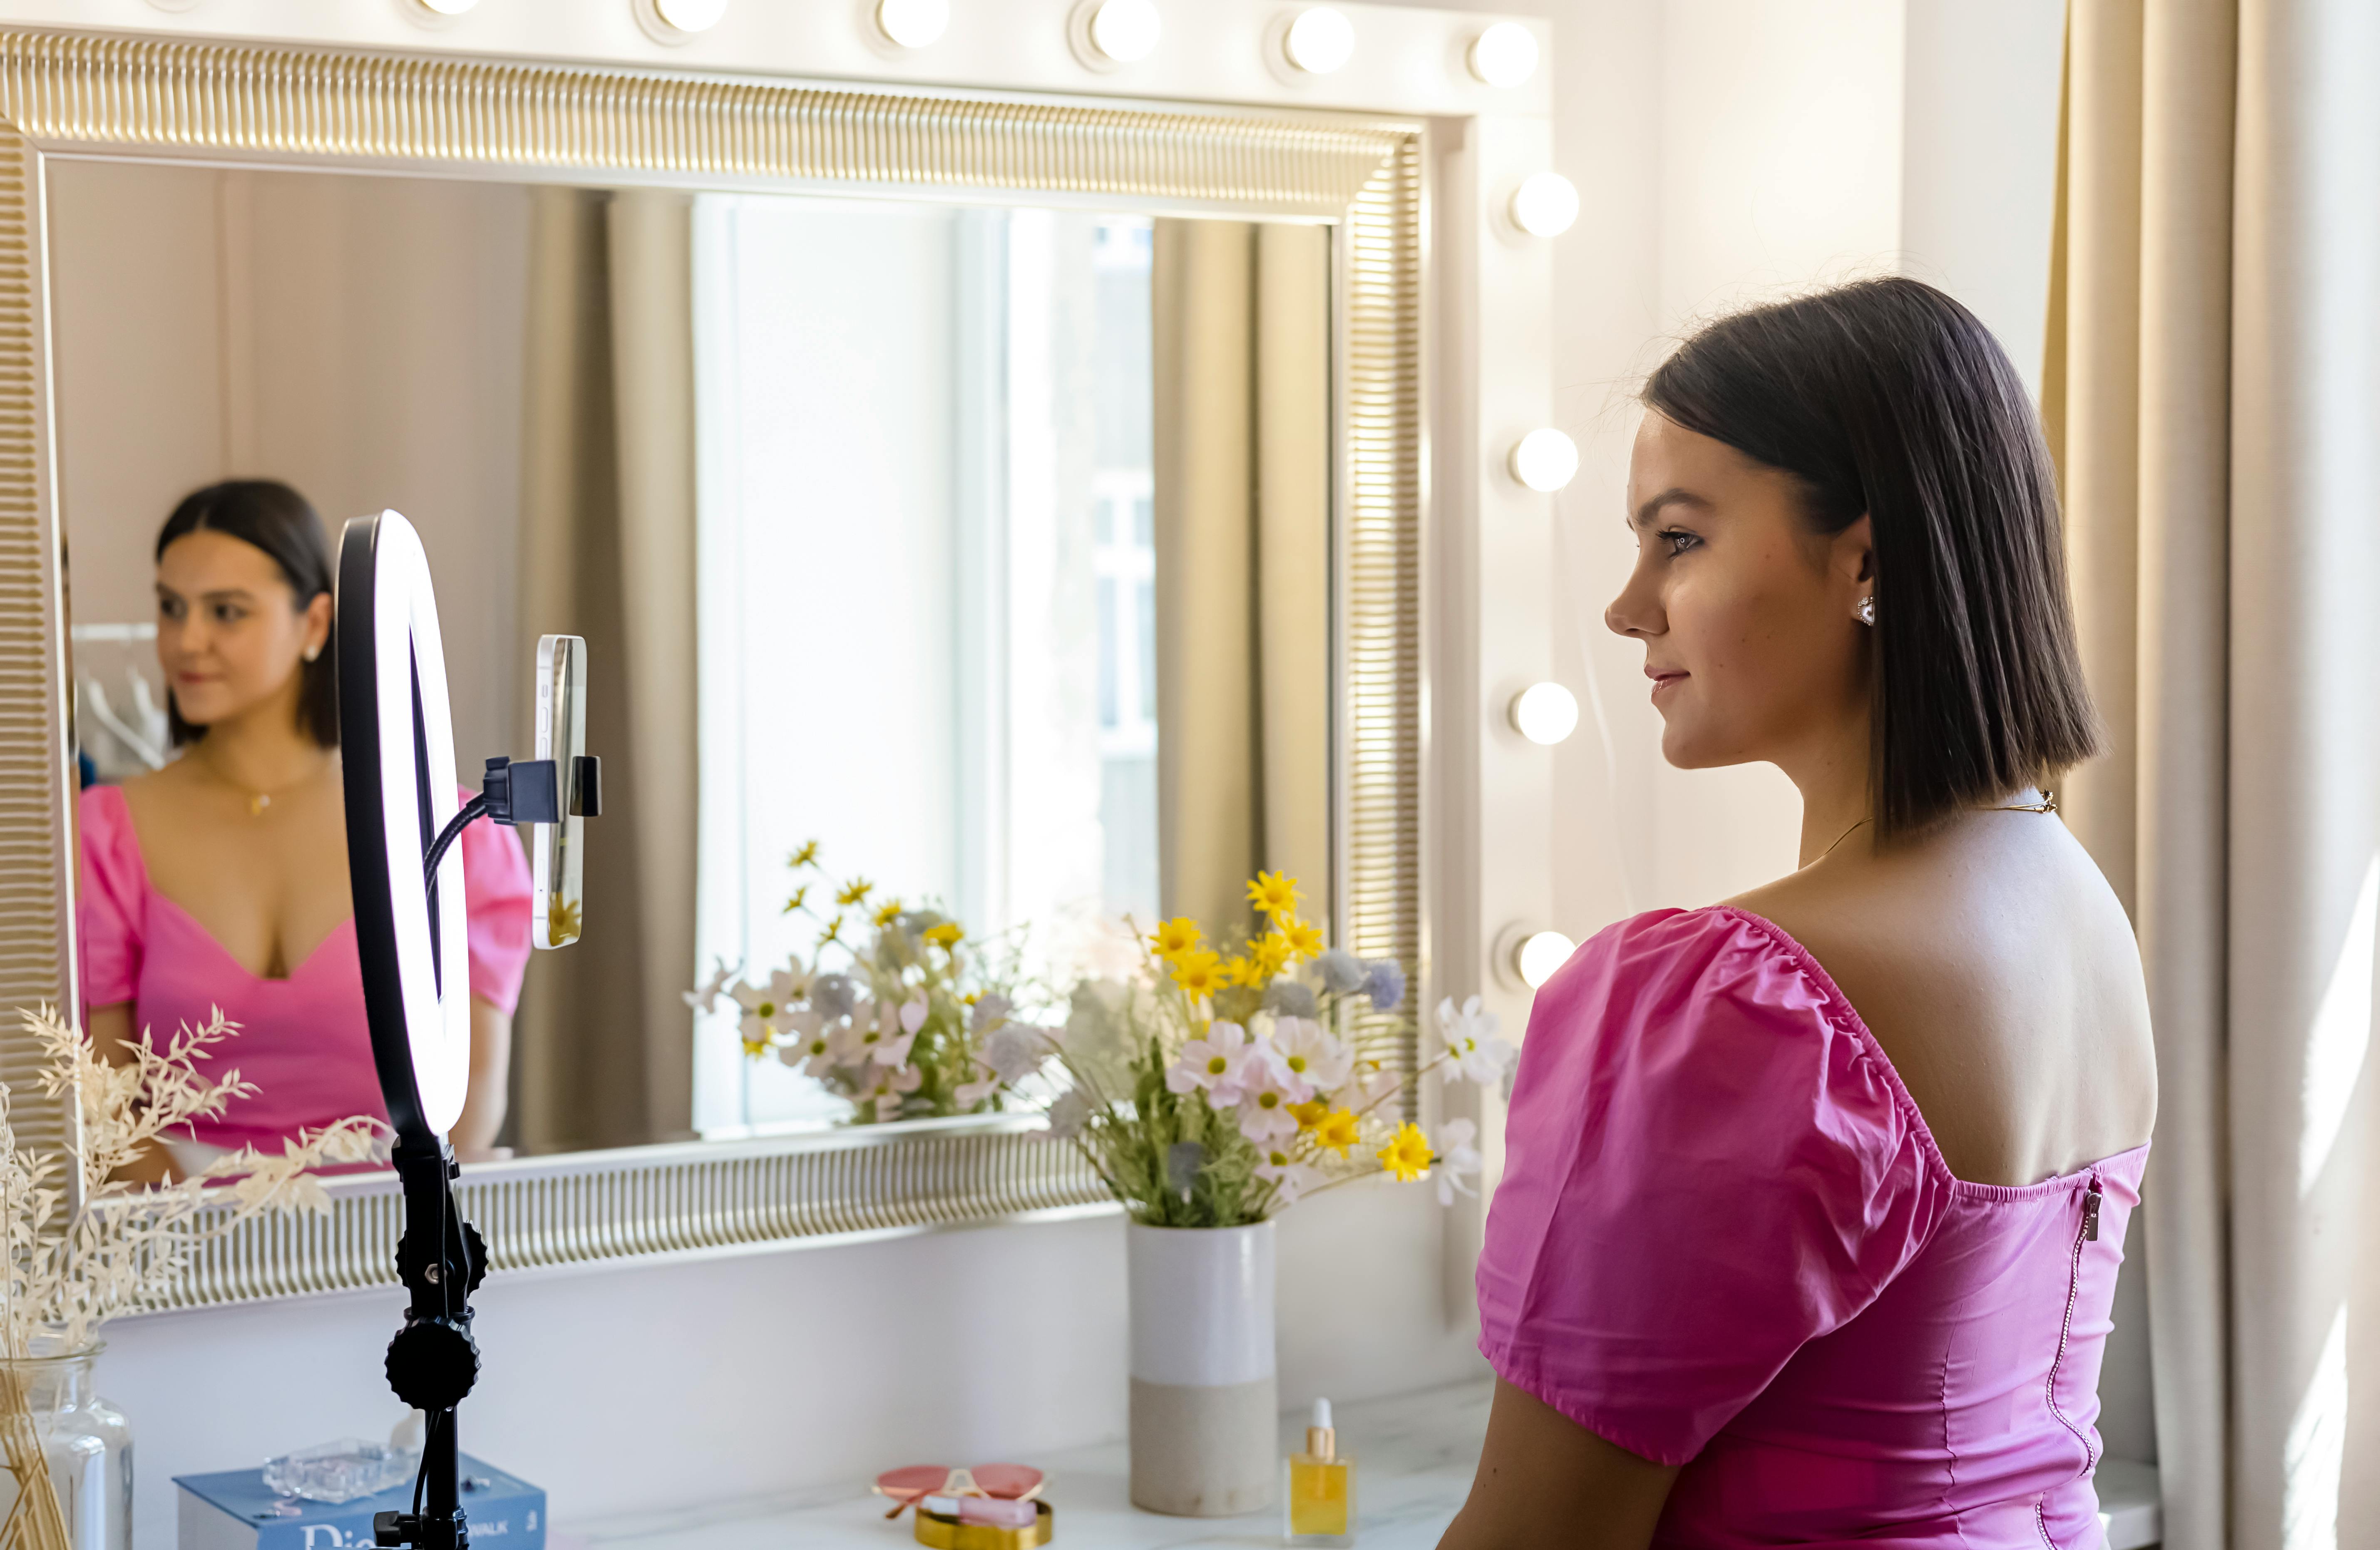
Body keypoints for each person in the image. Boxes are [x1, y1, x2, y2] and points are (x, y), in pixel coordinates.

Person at [1442, 279, 2157, 1549]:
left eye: (1677, 540)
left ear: (1864, 558)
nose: (1626, 608)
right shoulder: (2075, 907)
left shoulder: (1728, 1001)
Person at [76, 480, 531, 1177]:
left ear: (316, 624)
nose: (185, 640)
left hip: (400, 1240)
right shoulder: (104, 834)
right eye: (171, 607)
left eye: (226, 612)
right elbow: (102, 1107)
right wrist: (216, 1249)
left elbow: (469, 1108)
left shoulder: (450, 834)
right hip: (176, 1244)